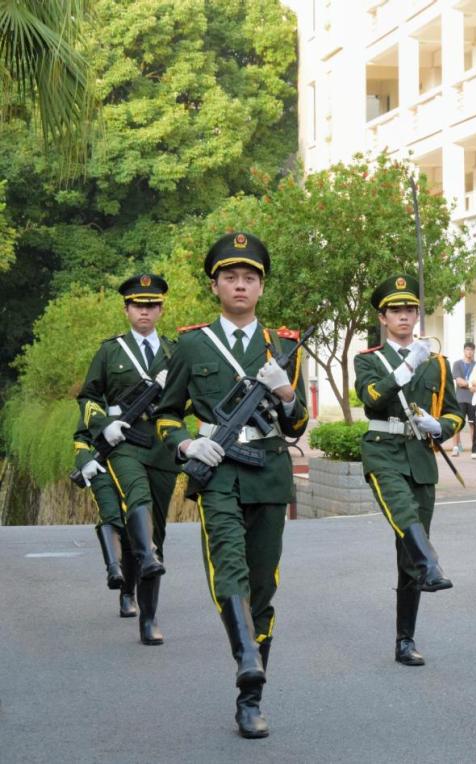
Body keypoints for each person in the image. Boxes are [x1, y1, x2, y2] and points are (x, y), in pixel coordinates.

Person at [154, 232, 309, 738]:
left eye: (249, 278)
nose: (240, 285)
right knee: (228, 567)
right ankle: (246, 661)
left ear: (261, 287)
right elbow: (165, 414)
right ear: (215, 286)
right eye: (230, 277)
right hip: (217, 469)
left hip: (268, 471)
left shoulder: (282, 346)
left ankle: (251, 694)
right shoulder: (192, 344)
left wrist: (286, 394)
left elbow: (298, 424)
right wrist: (185, 445)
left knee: (262, 586)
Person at [354, 275, 463, 668]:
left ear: (417, 315)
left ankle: (405, 638)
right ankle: (432, 563)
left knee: (408, 553)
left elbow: (454, 412)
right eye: (395, 310)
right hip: (383, 451)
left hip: (420, 457)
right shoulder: (368, 360)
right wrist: (405, 367)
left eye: (410, 310)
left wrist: (441, 426)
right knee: (402, 512)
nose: (404, 316)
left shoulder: (438, 363)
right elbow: (371, 399)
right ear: (382, 318)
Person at [78, 274, 179, 645]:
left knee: (155, 534)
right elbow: (88, 398)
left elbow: (188, 401)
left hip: (162, 447)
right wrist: (104, 425)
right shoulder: (111, 351)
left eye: (151, 305)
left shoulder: (174, 352)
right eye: (138, 305)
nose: (144, 312)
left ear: (161, 310)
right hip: (124, 444)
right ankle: (148, 618)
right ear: (126, 309)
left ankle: (144, 607)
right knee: (137, 497)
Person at [73, 408, 138, 619]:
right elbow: (81, 437)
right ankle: (113, 569)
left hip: (134, 469)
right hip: (102, 470)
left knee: (131, 528)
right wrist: (86, 460)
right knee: (110, 515)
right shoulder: (96, 404)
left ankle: (127, 593)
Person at [450, 342, 476, 456]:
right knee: (458, 423)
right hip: (460, 398)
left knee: (472, 424)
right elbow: (459, 382)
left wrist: (472, 384)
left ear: (474, 351)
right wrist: (470, 385)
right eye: (467, 349)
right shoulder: (457, 364)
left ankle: (474, 447)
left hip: (473, 399)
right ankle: (455, 447)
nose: (469, 352)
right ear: (464, 351)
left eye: (471, 350)